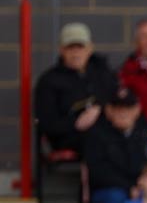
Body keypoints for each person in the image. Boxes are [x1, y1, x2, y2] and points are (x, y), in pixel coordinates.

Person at [35, 22, 117, 154]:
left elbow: (117, 96)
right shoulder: (49, 81)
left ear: (90, 48)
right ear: (61, 50)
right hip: (69, 136)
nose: (75, 53)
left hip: (107, 129)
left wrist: (100, 108)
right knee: (100, 141)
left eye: (80, 47)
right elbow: (46, 123)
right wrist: (75, 123)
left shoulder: (103, 72)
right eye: (70, 48)